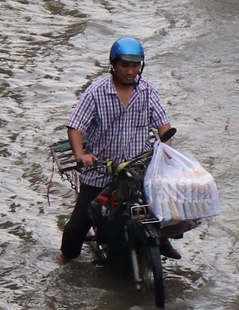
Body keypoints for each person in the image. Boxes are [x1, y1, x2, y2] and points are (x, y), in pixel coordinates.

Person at [61, 38, 174, 263]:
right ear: (113, 64)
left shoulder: (147, 90)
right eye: (125, 65)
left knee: (163, 210)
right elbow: (75, 127)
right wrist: (81, 156)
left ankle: (161, 240)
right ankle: (65, 259)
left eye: (135, 66)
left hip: (138, 169)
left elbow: (163, 125)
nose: (131, 71)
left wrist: (166, 151)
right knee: (77, 227)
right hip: (101, 171)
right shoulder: (96, 92)